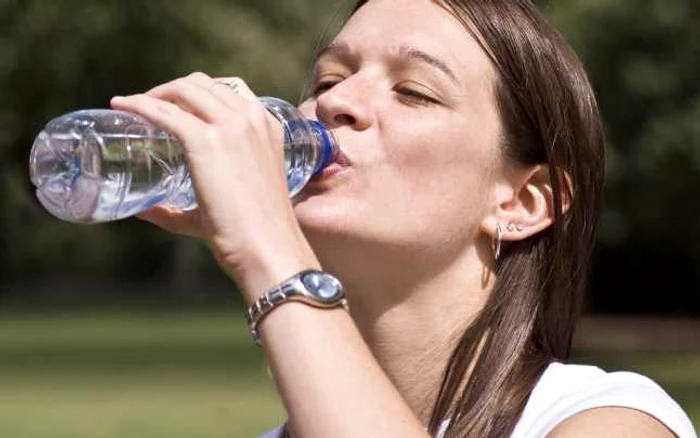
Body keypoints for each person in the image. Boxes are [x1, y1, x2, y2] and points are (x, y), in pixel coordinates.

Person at [110, 0, 697, 436]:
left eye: (414, 91)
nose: (335, 103)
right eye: (329, 80)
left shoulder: (607, 420)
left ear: (524, 202)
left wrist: (266, 249)